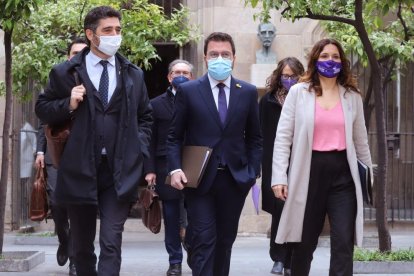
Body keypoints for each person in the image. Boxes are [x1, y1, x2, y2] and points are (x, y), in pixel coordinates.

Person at [35, 6, 152, 276]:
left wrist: (138, 146)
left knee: (112, 242)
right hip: (79, 169)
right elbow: (42, 109)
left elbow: (145, 117)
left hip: (119, 170)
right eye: (107, 30)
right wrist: (68, 103)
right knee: (82, 246)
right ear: (91, 34)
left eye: (118, 30)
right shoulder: (66, 72)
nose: (115, 35)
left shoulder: (132, 74)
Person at [272, 38, 373, 276]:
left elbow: (361, 142)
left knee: (343, 243)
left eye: (336, 56)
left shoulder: (352, 96)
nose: (331, 61)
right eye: (325, 56)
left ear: (343, 61)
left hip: (343, 176)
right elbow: (283, 138)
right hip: (309, 172)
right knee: (304, 243)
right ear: (315, 59)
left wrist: (369, 178)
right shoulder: (298, 92)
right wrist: (279, 177)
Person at [167, 32, 263, 276]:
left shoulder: (248, 91)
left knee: (225, 241)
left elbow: (255, 138)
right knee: (204, 239)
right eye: (214, 54)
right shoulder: (189, 91)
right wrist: (176, 168)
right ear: (205, 58)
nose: (220, 58)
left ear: (233, 58)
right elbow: (174, 136)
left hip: (234, 179)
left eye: (225, 54)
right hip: (199, 180)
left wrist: (252, 172)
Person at [34, 37, 87, 276]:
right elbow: (44, 118)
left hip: (84, 156)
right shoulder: (58, 79)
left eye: (83, 52)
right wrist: (40, 151)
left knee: (77, 205)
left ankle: (75, 259)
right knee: (56, 202)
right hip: (57, 152)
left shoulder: (96, 80)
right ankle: (63, 238)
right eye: (74, 52)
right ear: (68, 56)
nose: (78, 56)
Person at [144, 59, 194, 276]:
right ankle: (175, 261)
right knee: (172, 217)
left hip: (193, 164)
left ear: (191, 77)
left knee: (196, 215)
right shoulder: (155, 104)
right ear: (169, 77)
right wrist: (150, 169)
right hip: (165, 167)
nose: (180, 75)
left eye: (185, 72)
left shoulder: (199, 100)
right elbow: (150, 140)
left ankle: (193, 250)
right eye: (176, 72)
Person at [259, 57, 304, 275]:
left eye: (293, 76)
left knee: (297, 212)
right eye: (285, 76)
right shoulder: (267, 101)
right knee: (279, 211)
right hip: (274, 163)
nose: (289, 80)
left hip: (300, 162)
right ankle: (278, 257)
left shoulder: (306, 99)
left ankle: (291, 260)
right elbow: (258, 135)